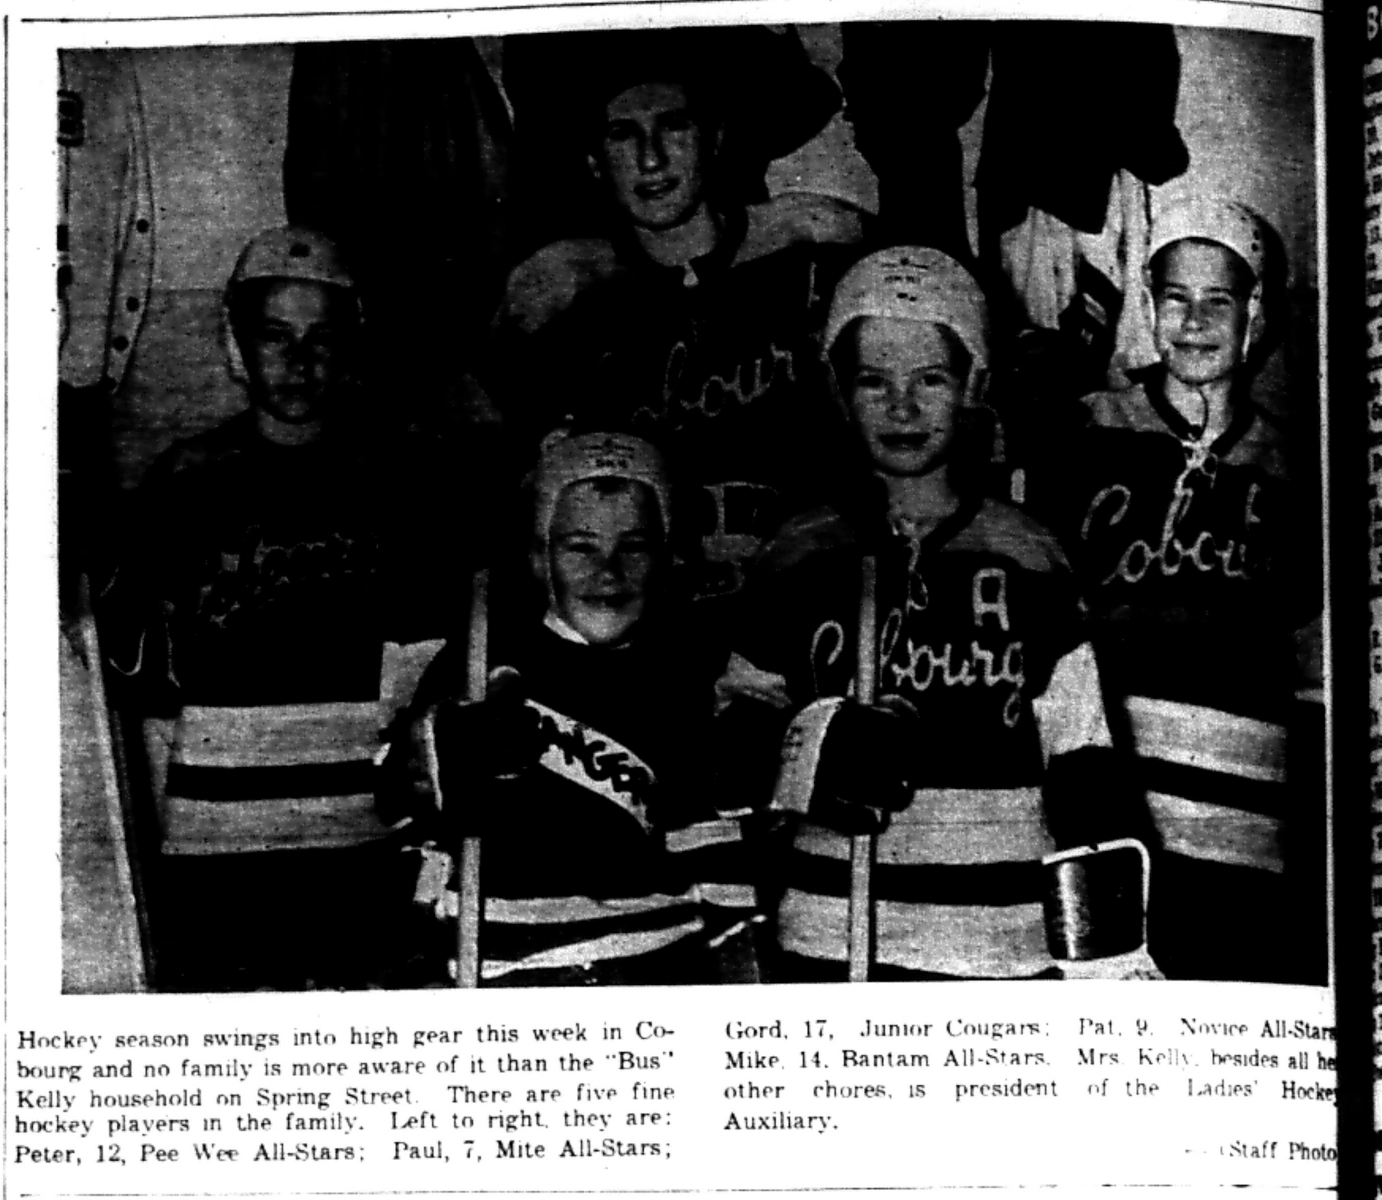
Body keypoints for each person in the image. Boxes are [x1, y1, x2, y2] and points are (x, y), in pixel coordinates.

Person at [715, 247, 1157, 981]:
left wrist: (1110, 953)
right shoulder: (798, 551)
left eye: (930, 379)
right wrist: (810, 748)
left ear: (974, 382)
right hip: (832, 941)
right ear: (839, 390)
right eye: (874, 381)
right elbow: (736, 736)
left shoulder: (1030, 552)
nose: (902, 407)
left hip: (1003, 946)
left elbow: (1081, 752)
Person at [99, 226, 463, 990]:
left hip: (365, 839)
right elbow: (144, 692)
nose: (300, 360)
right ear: (237, 344)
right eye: (275, 336)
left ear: (353, 343)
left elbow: (431, 669)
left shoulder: (405, 482)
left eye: (321, 337)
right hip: (215, 845)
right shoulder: (184, 483)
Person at [1019, 196, 1324, 983]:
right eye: (1176, 298)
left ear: (1256, 314)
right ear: (1149, 306)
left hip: (1244, 824)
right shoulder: (1088, 430)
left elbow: (1310, 658)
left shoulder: (1296, 467)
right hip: (1110, 805)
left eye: (1218, 299)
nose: (1194, 321)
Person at [491, 28, 863, 605]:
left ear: (714, 139)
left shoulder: (808, 250)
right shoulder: (563, 296)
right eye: (623, 135)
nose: (652, 158)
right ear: (594, 162)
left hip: (807, 588)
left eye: (674, 126)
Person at [385, 430, 763, 986]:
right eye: (581, 548)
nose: (608, 571)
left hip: (654, 963)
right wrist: (435, 755)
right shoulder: (480, 661)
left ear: (666, 558)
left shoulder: (690, 675)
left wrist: (738, 972)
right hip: (507, 971)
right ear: (540, 558)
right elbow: (398, 803)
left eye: (634, 547)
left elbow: (715, 855)